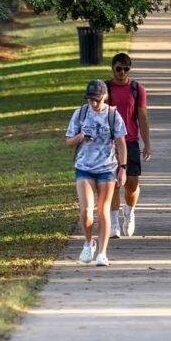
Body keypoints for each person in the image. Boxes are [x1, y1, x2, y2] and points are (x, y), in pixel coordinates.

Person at [66, 79, 129, 266]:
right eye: (90, 100)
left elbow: (121, 144)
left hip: (107, 168)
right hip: (84, 167)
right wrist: (79, 137)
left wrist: (122, 169)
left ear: (105, 97)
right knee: (86, 212)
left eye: (97, 100)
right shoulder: (81, 114)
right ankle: (88, 243)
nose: (93, 103)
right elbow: (68, 141)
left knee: (103, 210)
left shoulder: (113, 115)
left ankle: (102, 253)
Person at [105, 52, 151, 238]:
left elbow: (142, 116)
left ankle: (129, 212)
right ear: (113, 68)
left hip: (131, 141)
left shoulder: (136, 89)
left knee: (131, 184)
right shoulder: (105, 88)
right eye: (119, 69)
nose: (122, 72)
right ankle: (114, 223)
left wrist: (147, 143)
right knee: (113, 183)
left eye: (126, 69)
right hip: (109, 143)